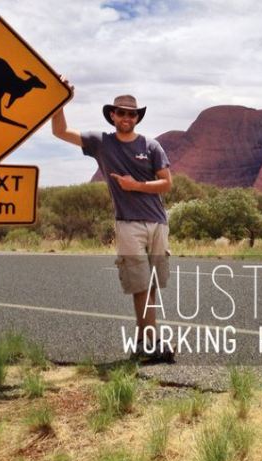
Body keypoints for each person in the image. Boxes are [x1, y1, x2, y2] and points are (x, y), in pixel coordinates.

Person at [51, 83, 175, 363]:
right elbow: (59, 132)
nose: (126, 118)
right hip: (129, 224)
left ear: (137, 118)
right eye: (121, 113)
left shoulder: (151, 146)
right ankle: (149, 342)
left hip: (158, 222)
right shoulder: (101, 142)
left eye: (132, 114)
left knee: (151, 283)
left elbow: (167, 183)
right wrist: (60, 101)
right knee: (139, 283)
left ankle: (147, 343)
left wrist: (136, 185)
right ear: (112, 116)